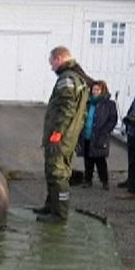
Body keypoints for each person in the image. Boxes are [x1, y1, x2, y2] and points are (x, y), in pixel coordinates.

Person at [34, 46, 91, 224]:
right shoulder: (78, 78)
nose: (51, 67)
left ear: (59, 58)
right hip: (70, 136)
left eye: (52, 63)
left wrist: (57, 133)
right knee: (56, 172)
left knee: (57, 173)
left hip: (61, 137)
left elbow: (67, 109)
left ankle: (59, 214)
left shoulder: (67, 79)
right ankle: (51, 206)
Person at [77, 80, 118, 190]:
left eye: (97, 89)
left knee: (100, 161)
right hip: (87, 135)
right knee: (87, 159)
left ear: (103, 90)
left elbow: (112, 120)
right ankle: (88, 180)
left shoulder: (109, 104)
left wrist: (105, 132)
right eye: (93, 89)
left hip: (100, 136)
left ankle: (104, 181)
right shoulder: (87, 102)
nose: (95, 92)